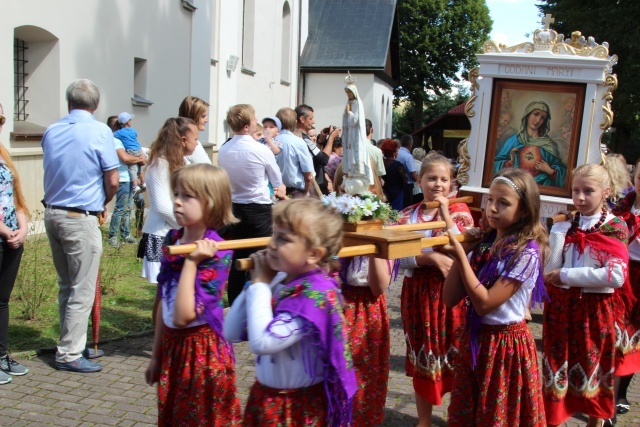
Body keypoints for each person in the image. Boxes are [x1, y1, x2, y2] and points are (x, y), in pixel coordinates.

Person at [224, 198, 357, 426]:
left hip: (297, 408)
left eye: (283, 239)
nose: (272, 244)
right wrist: (255, 285)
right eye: (274, 234)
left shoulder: (316, 295)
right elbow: (231, 331)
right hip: (266, 397)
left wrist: (259, 285)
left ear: (313, 254)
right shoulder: (280, 280)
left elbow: (263, 343)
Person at [442, 168, 547, 426]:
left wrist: (460, 256)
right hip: (476, 342)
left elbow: (485, 303)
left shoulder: (526, 253)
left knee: (498, 417)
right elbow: (449, 297)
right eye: (490, 200)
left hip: (506, 347)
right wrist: (464, 253)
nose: (493, 208)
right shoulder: (485, 243)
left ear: (523, 211)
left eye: (504, 203)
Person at [144, 164, 241, 426]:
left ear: (210, 203)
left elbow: (185, 315)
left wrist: (191, 262)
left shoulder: (218, 253)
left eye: (187, 196)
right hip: (173, 349)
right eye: (176, 193)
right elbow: (163, 301)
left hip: (202, 352)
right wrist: (156, 356)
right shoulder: (174, 239)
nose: (176, 201)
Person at [543, 162, 630, 427]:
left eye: (588, 191)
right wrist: (557, 233)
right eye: (576, 190)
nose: (580, 198)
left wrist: (567, 277)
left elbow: (615, 277)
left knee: (593, 370)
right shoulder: (567, 226)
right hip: (561, 311)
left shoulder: (615, 227)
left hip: (595, 312)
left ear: (605, 192)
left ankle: (595, 422)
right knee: (556, 370)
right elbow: (550, 271)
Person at [42, 79, 119, 373]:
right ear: (96, 105)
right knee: (82, 288)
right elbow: (112, 180)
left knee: (68, 286)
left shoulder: (52, 130)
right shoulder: (100, 131)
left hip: (53, 212)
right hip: (79, 215)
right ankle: (70, 354)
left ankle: (70, 343)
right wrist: (103, 202)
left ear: (68, 102)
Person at [396, 153, 474, 427]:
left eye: (443, 179)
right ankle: (424, 421)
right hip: (417, 294)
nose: (437, 184)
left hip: (450, 296)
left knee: (455, 354)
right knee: (422, 354)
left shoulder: (460, 211)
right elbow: (396, 256)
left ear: (452, 182)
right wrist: (427, 258)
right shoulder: (407, 214)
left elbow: (463, 248)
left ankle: (458, 415)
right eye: (431, 178)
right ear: (420, 181)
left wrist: (444, 214)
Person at [333, 167, 392, 426]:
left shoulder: (380, 225)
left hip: (365, 309)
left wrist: (371, 239)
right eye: (345, 184)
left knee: (364, 376)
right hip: (334, 304)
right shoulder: (329, 225)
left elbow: (379, 287)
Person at [217, 104, 284, 306]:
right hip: (258, 209)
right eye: (254, 119)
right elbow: (277, 179)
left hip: (235, 207)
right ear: (247, 125)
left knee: (239, 256)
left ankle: (236, 302)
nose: (257, 122)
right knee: (263, 258)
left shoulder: (224, 149)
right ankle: (261, 304)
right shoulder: (260, 150)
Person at [141, 117, 200, 285]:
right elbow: (162, 206)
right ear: (183, 140)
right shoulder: (160, 164)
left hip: (178, 231)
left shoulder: (182, 161)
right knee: (166, 291)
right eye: (195, 139)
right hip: (164, 234)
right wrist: (187, 225)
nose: (197, 143)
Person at [0, 102, 30, 383]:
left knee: (2, 301)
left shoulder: (3, 154)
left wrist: (22, 227)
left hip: (10, 238)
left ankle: (1, 356)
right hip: (2, 235)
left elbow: (16, 197)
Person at [610, 158, 640, 420]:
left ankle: (620, 393)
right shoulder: (621, 210)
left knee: (634, 341)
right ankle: (609, 400)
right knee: (618, 336)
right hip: (623, 277)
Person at [493, 101, 567, 188]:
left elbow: (563, 173)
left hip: (542, 187)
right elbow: (495, 165)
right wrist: (510, 162)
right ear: (527, 115)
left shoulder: (549, 144)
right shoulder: (513, 140)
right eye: (536, 114)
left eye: (543, 118)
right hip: (514, 187)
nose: (538, 120)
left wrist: (550, 171)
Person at [107, 116, 146, 247]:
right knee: (120, 208)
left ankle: (125, 234)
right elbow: (125, 159)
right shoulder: (115, 140)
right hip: (122, 177)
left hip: (129, 178)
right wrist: (139, 159)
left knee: (128, 208)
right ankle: (112, 236)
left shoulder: (122, 139)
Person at [275, 107, 314, 197]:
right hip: (295, 192)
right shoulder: (299, 142)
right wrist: (305, 191)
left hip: (274, 191)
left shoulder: (270, 141)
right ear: (296, 122)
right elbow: (308, 173)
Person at [342, 83, 373, 194]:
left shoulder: (358, 103)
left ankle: (357, 171)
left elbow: (355, 120)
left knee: (356, 153)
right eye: (347, 93)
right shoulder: (349, 103)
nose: (348, 94)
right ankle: (351, 170)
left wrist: (349, 112)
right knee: (350, 153)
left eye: (349, 92)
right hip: (350, 133)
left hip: (356, 134)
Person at [296, 104, 332, 194]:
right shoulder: (303, 138)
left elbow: (316, 156)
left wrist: (320, 141)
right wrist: (331, 138)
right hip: (304, 187)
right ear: (302, 119)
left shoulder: (293, 135)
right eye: (311, 119)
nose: (313, 122)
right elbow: (323, 159)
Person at [113, 112, 146, 195]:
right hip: (138, 149)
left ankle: (135, 186)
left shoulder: (119, 133)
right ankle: (143, 182)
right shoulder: (134, 131)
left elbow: (112, 135)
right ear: (128, 122)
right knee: (140, 167)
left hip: (130, 151)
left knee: (132, 168)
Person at [178, 96, 213, 165]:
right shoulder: (192, 144)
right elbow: (207, 170)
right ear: (193, 116)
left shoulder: (175, 138)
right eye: (203, 116)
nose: (207, 120)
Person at [379, 139, 407, 210]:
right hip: (397, 194)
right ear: (393, 152)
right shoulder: (398, 165)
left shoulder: (381, 163)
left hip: (383, 193)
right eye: (397, 151)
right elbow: (405, 180)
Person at [398, 135, 419, 208]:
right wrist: (418, 180)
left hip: (395, 183)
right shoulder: (408, 156)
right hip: (406, 186)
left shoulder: (396, 153)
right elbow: (412, 173)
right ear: (410, 144)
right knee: (406, 206)